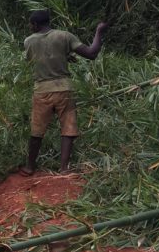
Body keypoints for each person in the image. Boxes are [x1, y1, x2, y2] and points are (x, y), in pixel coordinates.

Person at [21, 10, 108, 175]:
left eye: (30, 24)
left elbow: (37, 59)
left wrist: (62, 56)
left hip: (41, 91)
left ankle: (29, 167)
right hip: (64, 89)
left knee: (37, 130)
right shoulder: (64, 36)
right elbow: (91, 53)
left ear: (35, 24)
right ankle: (64, 168)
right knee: (68, 127)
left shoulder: (28, 41)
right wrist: (99, 32)